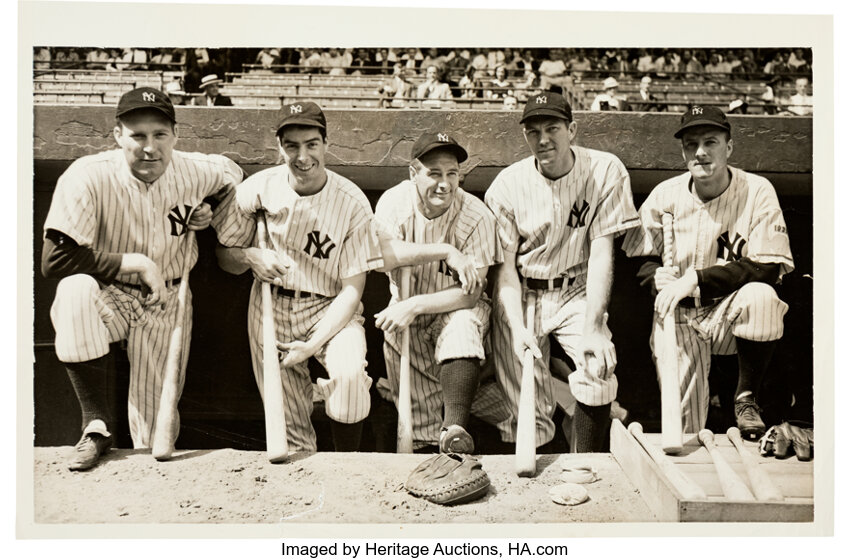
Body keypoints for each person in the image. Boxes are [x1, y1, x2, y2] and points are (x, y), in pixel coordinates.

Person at [41, 87, 244, 470]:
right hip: (110, 295)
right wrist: (133, 262)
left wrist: (208, 208)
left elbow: (231, 174)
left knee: (155, 438)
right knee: (73, 291)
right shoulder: (88, 175)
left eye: (159, 135)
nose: (149, 147)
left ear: (175, 135)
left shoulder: (196, 169)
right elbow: (54, 260)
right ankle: (95, 426)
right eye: (137, 135)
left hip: (167, 300)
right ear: (118, 136)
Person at [622, 105, 794, 440]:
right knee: (685, 432)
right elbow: (635, 255)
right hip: (679, 319)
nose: (700, 152)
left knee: (762, 298)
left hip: (728, 313)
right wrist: (653, 275)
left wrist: (697, 279)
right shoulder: (665, 195)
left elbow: (771, 266)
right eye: (691, 144)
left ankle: (745, 397)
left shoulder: (757, 190)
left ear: (728, 147)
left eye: (710, 142)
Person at [484, 92, 640, 453]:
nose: (543, 139)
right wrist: (517, 327)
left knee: (597, 368)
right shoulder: (507, 186)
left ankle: (583, 463)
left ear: (573, 129)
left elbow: (602, 253)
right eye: (533, 131)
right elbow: (505, 270)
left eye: (552, 127)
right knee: (524, 407)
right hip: (523, 292)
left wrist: (594, 326)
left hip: (576, 289)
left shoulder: (605, 170)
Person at [372, 132, 505, 453]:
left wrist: (416, 304)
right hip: (408, 326)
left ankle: (456, 426)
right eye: (434, 173)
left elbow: (470, 295)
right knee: (420, 435)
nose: (444, 184)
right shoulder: (395, 201)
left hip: (455, 312)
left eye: (452, 174)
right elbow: (379, 257)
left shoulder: (476, 215)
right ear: (412, 174)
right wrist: (444, 250)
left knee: (462, 326)